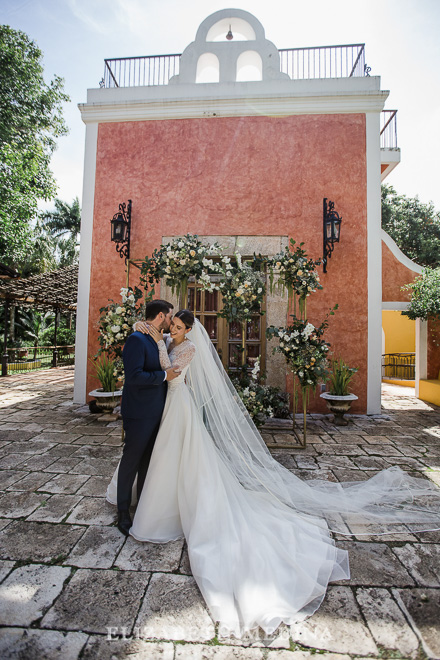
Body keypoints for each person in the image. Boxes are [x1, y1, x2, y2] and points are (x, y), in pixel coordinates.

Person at [107, 310, 440, 638]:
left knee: (178, 456)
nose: (173, 329)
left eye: (178, 326)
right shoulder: (163, 338)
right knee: (162, 456)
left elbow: (171, 372)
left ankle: (169, 505)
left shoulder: (188, 347)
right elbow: (157, 349)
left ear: (188, 329)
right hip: (165, 407)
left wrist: (161, 349)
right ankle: (155, 498)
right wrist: (149, 332)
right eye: (172, 324)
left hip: (178, 403)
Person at [115, 299, 181, 537]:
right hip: (139, 412)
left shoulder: (160, 339)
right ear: (161, 316)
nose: (171, 321)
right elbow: (133, 377)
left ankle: (141, 504)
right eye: (169, 316)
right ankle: (123, 512)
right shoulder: (136, 339)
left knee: (146, 462)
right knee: (131, 461)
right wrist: (164, 376)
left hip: (157, 412)